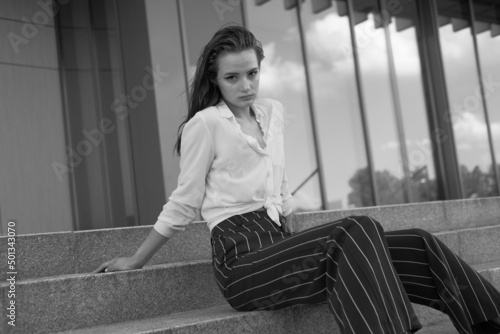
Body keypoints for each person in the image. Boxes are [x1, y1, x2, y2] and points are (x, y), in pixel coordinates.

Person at [94, 24, 500, 334]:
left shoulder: (272, 113)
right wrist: (136, 259)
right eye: (232, 78)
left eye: (251, 73)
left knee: (416, 241)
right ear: (214, 80)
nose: (245, 85)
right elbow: (184, 201)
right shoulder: (205, 124)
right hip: (240, 259)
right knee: (357, 227)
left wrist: (295, 230)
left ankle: (490, 322)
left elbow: (280, 184)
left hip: (279, 242)